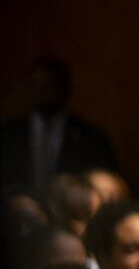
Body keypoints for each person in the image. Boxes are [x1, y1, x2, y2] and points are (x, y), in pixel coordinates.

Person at [0, 57, 118, 193]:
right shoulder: (8, 136)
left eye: (49, 84)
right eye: (35, 84)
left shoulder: (91, 138)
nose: (41, 91)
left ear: (65, 89)